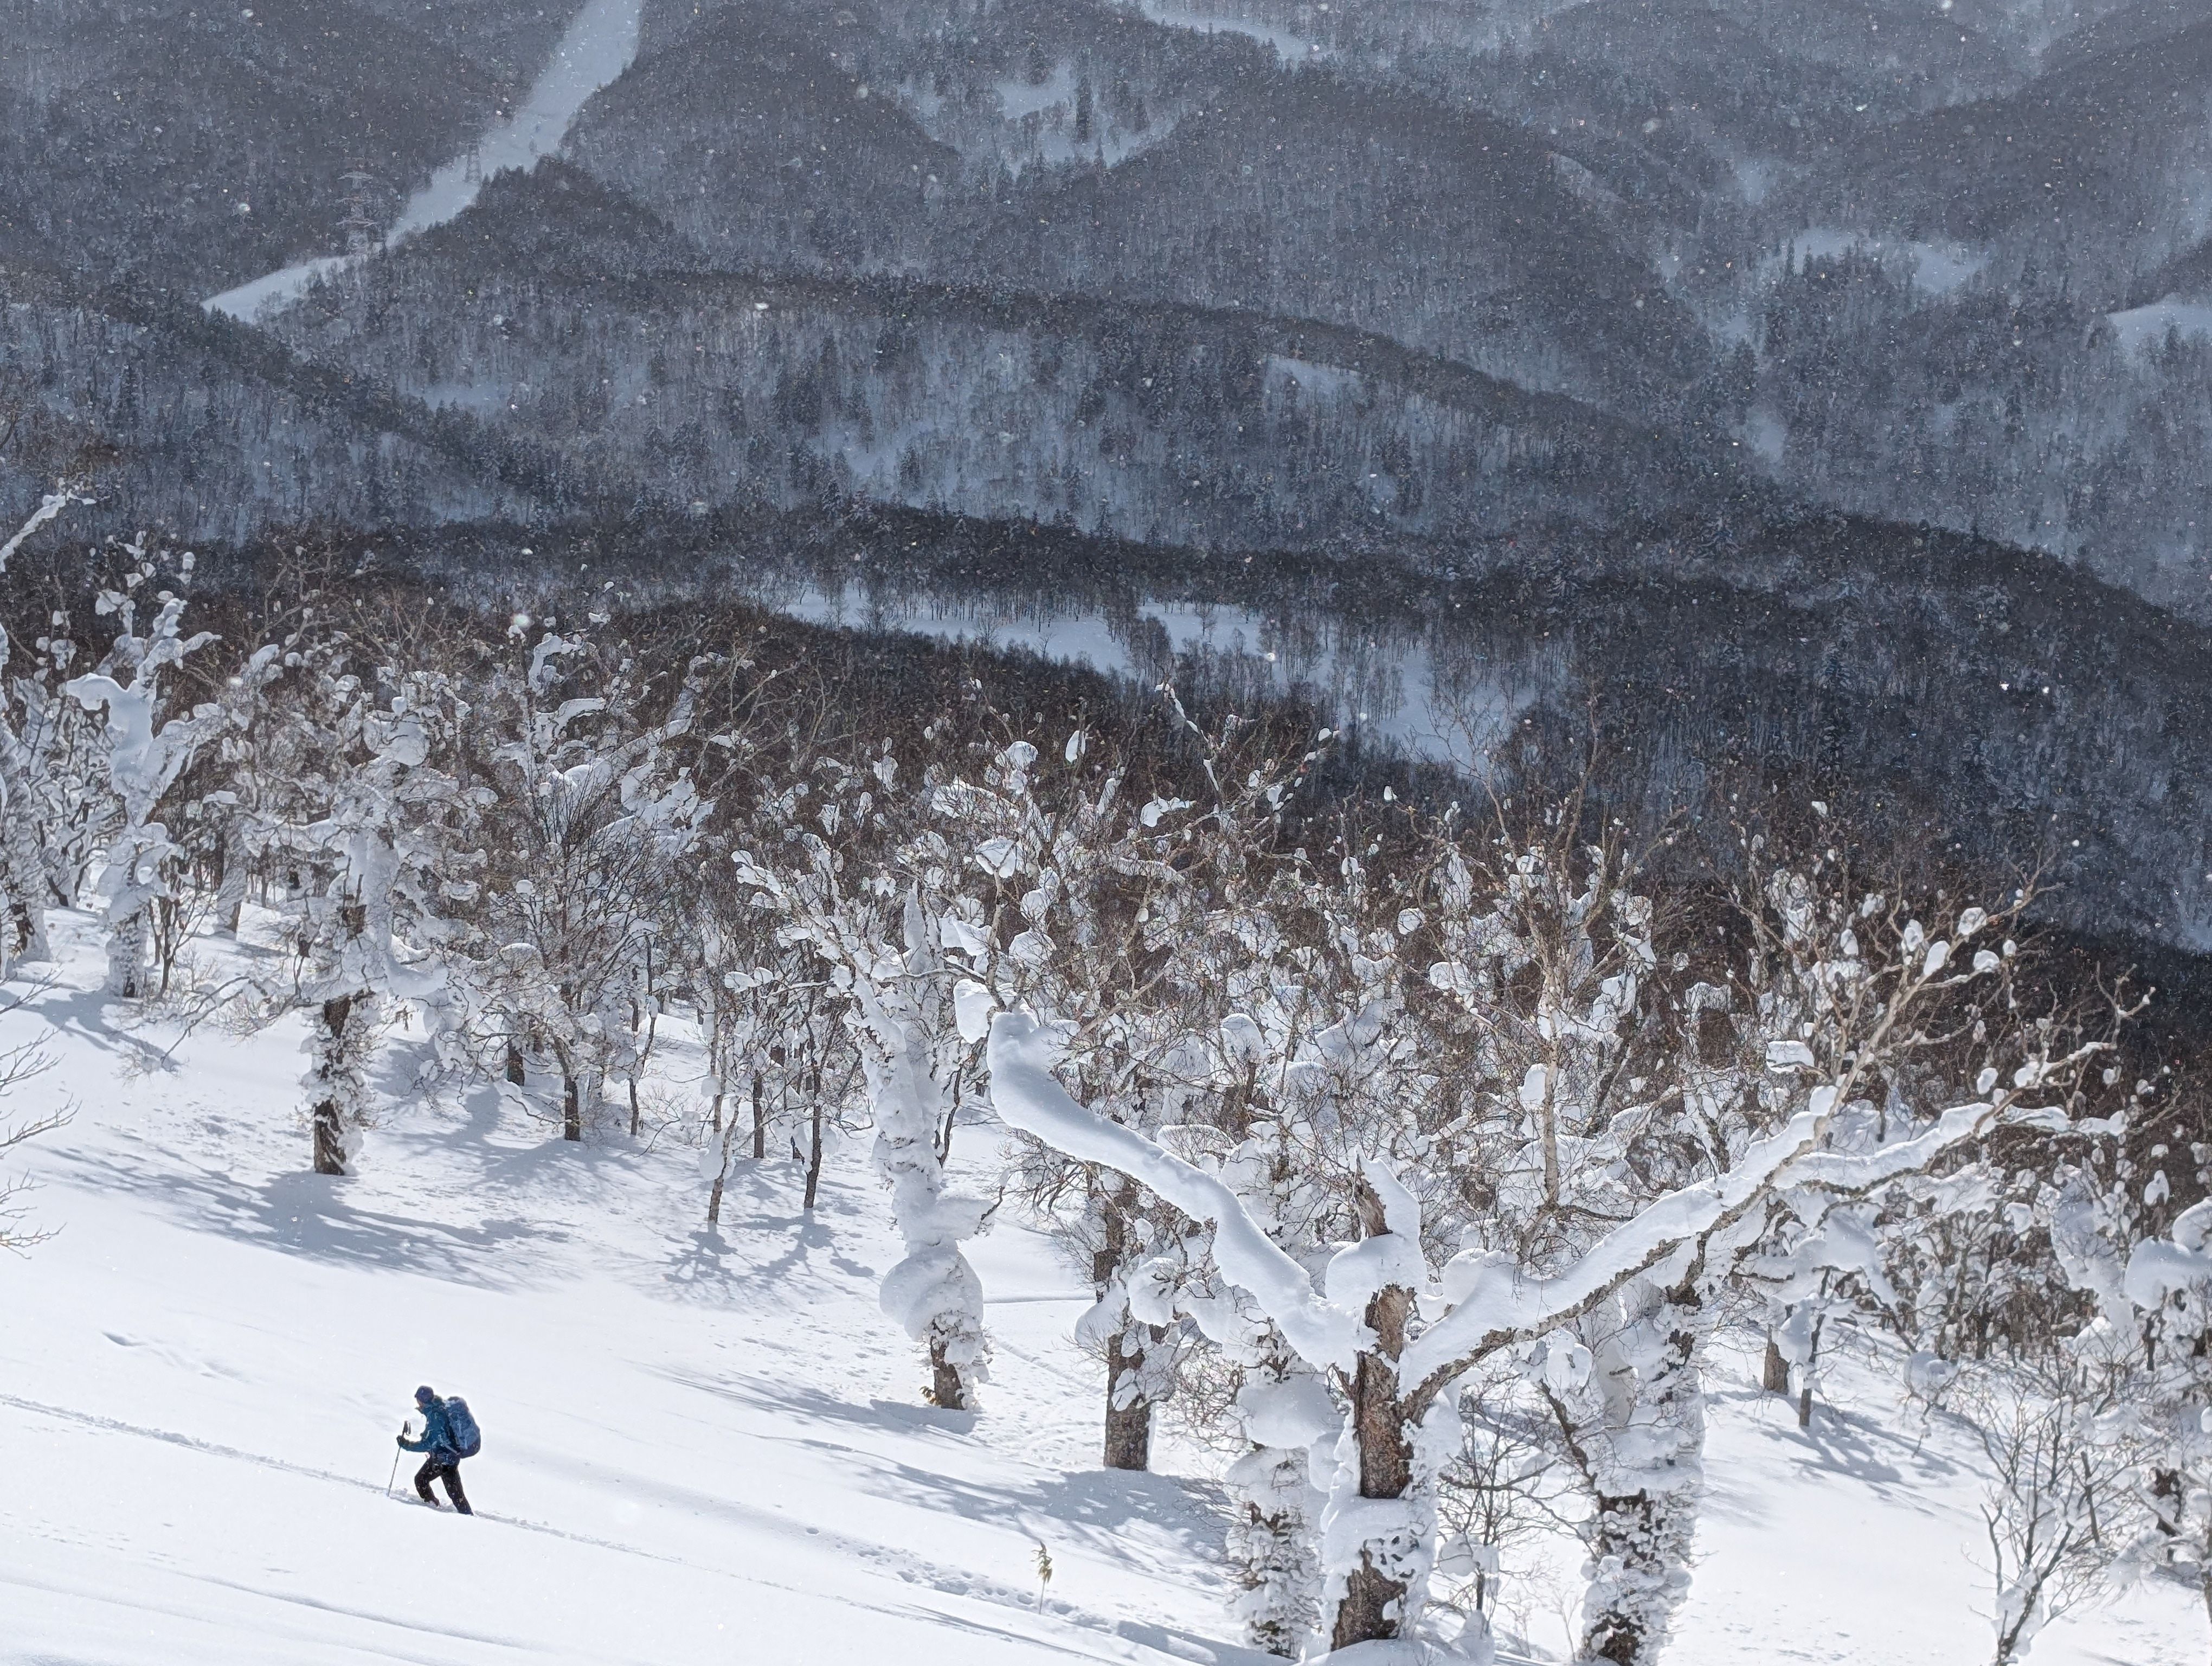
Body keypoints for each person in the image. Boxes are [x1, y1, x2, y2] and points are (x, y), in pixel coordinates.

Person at [397, 1385, 473, 1514]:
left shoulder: (435, 1416)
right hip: (451, 1458)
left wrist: (406, 1445)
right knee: (456, 1495)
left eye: (419, 1400)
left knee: (421, 1480)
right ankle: (467, 1515)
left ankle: (432, 1509)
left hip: (443, 1460)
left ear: (423, 1400)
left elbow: (427, 1444)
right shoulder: (440, 1409)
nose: (418, 1403)